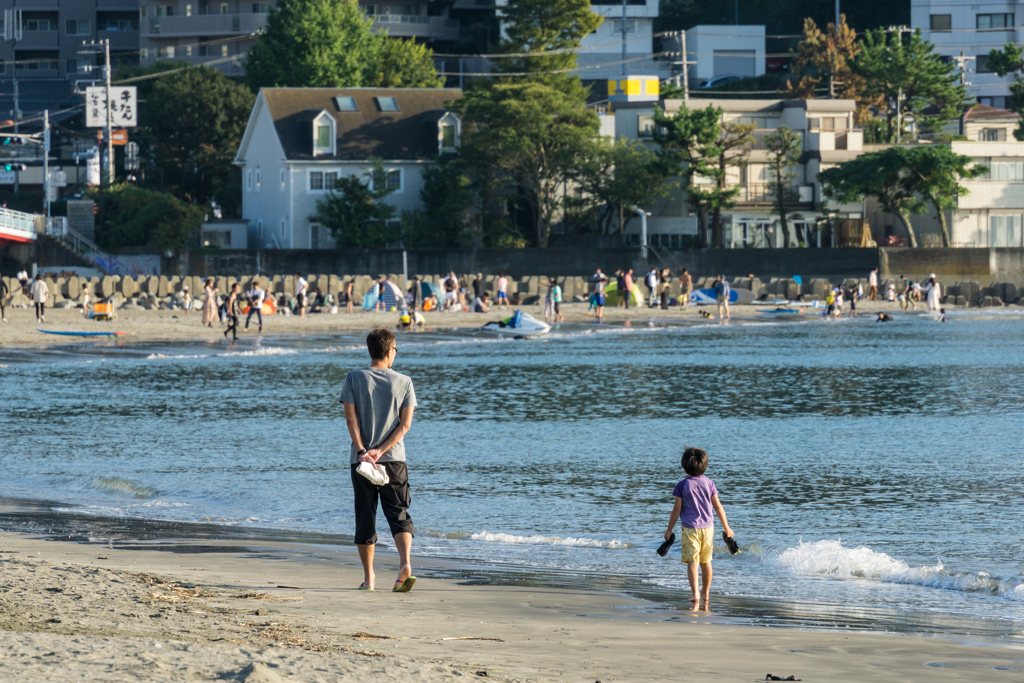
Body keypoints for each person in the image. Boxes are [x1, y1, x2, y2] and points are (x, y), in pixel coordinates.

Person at [340, 328, 417, 592]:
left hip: (361, 462)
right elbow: (405, 425)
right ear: (388, 351)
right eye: (395, 350)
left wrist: (364, 451)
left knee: (365, 517)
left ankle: (370, 578)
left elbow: (350, 420)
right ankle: (405, 564)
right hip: (393, 460)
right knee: (398, 513)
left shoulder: (353, 378)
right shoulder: (404, 382)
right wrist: (381, 451)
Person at [664, 446, 735, 610]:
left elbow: (676, 510)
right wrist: (727, 528)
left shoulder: (681, 486)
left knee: (692, 561)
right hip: (708, 528)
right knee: (706, 562)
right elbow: (718, 506)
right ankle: (706, 593)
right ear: (705, 466)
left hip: (690, 529)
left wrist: (669, 530)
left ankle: (695, 593)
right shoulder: (709, 483)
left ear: (684, 467)